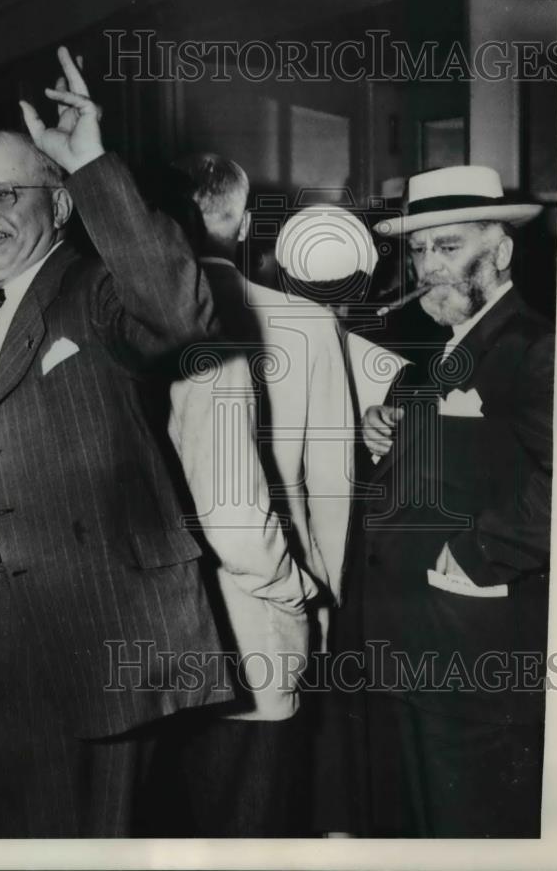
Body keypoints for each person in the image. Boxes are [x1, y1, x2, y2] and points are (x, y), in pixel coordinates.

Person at [0, 47, 234, 837]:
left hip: (86, 624)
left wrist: (90, 161)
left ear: (59, 206)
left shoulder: (94, 289)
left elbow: (180, 315)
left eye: (7, 192)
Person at [344, 164, 554, 837]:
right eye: (417, 250)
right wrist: (385, 437)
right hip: (405, 650)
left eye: (448, 246)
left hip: (472, 654)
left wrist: (474, 557)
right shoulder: (435, 357)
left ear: (500, 250)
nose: (427, 267)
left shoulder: (536, 349)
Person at [167, 154, 353, 834]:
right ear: (243, 222)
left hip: (142, 643)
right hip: (263, 624)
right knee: (253, 817)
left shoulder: (116, 325)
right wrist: (318, 598)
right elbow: (332, 485)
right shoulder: (306, 325)